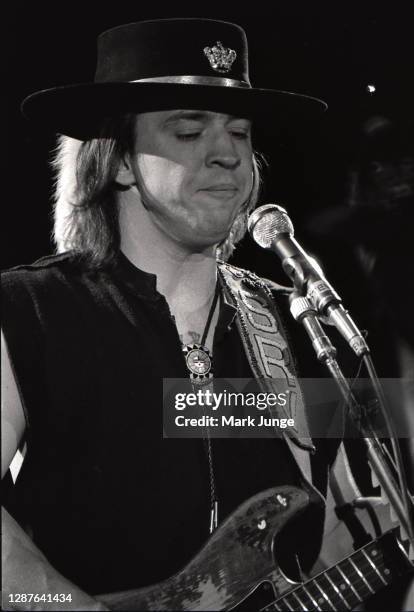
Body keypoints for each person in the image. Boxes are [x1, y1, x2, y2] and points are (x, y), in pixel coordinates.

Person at [2, 18, 398, 611]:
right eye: (190, 132)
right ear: (119, 163)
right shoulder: (28, 309)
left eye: (239, 132)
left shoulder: (295, 325)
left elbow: (343, 526)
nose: (227, 155)